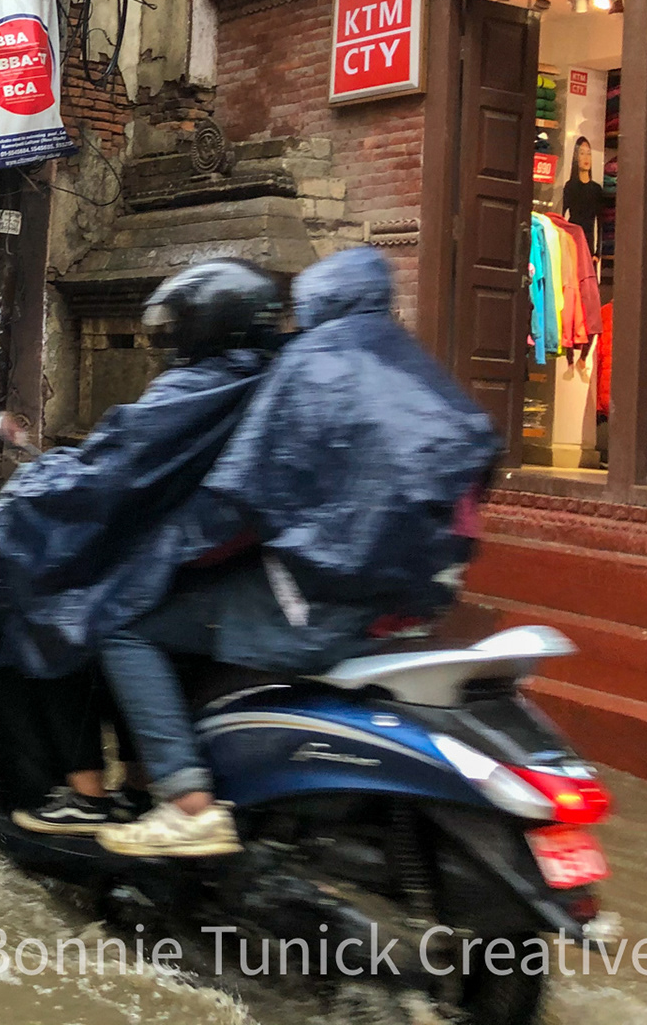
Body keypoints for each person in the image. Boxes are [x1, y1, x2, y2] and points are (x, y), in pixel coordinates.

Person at [92, 247, 501, 859]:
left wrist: (167, 556)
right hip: (421, 602)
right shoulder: (415, 365)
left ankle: (185, 804)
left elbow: (240, 501)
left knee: (125, 623)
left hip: (329, 601)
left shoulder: (311, 366)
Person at [0, 259, 285, 835]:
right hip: (212, 565)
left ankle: (87, 795)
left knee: (64, 616)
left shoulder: (199, 390)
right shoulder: (264, 380)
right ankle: (141, 781)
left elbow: (111, 469)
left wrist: (29, 495)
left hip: (199, 566)